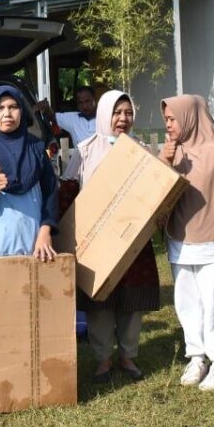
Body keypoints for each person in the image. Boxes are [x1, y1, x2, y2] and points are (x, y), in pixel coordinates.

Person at [74, 91, 161, 382]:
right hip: (97, 239)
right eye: (116, 112)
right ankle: (103, 358)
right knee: (99, 302)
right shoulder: (85, 151)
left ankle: (128, 355)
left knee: (131, 300)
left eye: (128, 113)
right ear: (104, 114)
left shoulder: (141, 150)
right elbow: (69, 193)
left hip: (133, 238)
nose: (123, 119)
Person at [0, 86, 60, 339]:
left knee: (36, 316)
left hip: (35, 248)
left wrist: (46, 230)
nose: (7, 113)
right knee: (4, 323)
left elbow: (50, 192)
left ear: (22, 112)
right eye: (0, 108)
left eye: (13, 107)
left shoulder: (36, 148)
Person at [160, 95, 214, 393]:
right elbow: (158, 192)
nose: (168, 125)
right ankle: (196, 356)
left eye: (173, 119)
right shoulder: (172, 150)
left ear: (191, 116)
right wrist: (166, 162)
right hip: (180, 239)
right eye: (166, 120)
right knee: (187, 302)